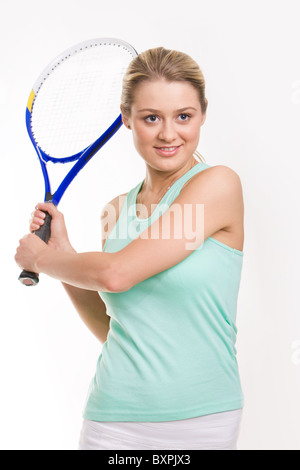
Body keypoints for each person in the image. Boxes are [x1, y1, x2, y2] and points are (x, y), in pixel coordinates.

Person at [15, 46, 245, 450]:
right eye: (151, 117)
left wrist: (44, 259)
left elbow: (116, 273)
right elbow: (115, 327)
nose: (169, 133)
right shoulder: (115, 211)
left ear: (203, 115)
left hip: (203, 420)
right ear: (126, 118)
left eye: (184, 116)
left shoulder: (217, 186)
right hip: (112, 418)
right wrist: (63, 251)